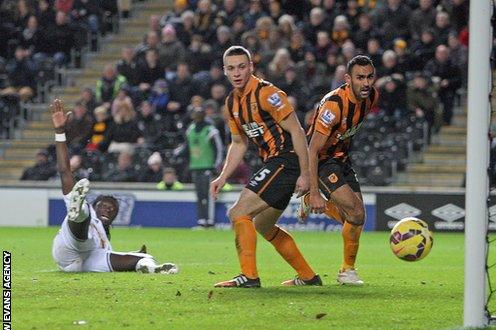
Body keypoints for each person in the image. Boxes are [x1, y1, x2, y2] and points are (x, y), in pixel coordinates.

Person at [210, 46, 321, 288]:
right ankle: (309, 277)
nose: (237, 72)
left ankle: (249, 277)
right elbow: (238, 143)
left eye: (242, 66)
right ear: (224, 71)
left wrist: (306, 174)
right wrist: (222, 176)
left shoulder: (267, 94)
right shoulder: (231, 103)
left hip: (286, 159)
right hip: (275, 162)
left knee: (238, 213)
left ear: (251, 67)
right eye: (231, 68)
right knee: (262, 224)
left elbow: (298, 131)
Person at [49, 99, 178, 274]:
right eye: (104, 205)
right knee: (83, 214)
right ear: (96, 205)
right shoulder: (92, 213)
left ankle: (152, 268)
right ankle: (76, 206)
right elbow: (65, 171)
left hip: (88, 260)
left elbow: (116, 256)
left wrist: (135, 255)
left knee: (144, 258)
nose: (108, 210)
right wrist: (59, 132)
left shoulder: (105, 240)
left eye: (113, 210)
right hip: (68, 247)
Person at [298, 55, 379, 285]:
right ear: (347, 79)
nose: (366, 83)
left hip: (343, 157)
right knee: (355, 211)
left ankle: (347, 270)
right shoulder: (333, 106)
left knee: (356, 216)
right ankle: (347, 271)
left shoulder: (371, 96)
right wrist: (314, 192)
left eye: (369, 77)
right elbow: (312, 150)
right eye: (360, 77)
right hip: (322, 161)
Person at [183, 106, 223, 228]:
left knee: (209, 194)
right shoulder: (190, 129)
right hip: (196, 166)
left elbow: (218, 149)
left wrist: (216, 165)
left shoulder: (210, 130)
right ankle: (201, 219)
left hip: (208, 166)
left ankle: (209, 220)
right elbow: (187, 146)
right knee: (199, 195)